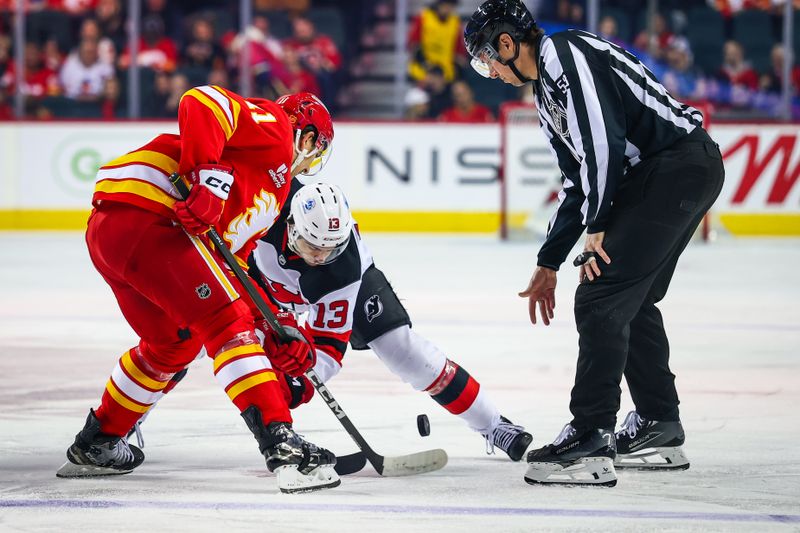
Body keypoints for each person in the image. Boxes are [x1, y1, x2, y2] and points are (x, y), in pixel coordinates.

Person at [464, 0, 724, 486]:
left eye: (485, 59)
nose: (489, 72)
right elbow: (576, 181)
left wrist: (598, 225)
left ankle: (590, 436)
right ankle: (658, 423)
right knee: (632, 298)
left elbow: (604, 142)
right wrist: (548, 262)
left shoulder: (562, 53)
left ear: (505, 43)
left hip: (676, 168)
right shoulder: (545, 93)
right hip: (671, 174)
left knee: (601, 293)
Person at [56, 88, 341, 494]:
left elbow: (232, 269)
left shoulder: (273, 196)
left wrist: (273, 323)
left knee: (174, 344)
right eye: (317, 148)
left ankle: (98, 441)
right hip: (152, 217)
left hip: (117, 236)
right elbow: (203, 101)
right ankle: (282, 444)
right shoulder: (275, 130)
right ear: (309, 136)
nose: (311, 160)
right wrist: (207, 175)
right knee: (225, 322)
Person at [129, 180, 534, 463]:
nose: (321, 257)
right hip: (257, 280)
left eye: (330, 249)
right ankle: (130, 420)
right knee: (191, 332)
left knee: (402, 349)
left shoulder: (342, 270)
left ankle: (493, 424)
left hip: (327, 290)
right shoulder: (267, 208)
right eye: (311, 247)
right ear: (289, 228)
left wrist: (295, 385)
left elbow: (327, 349)